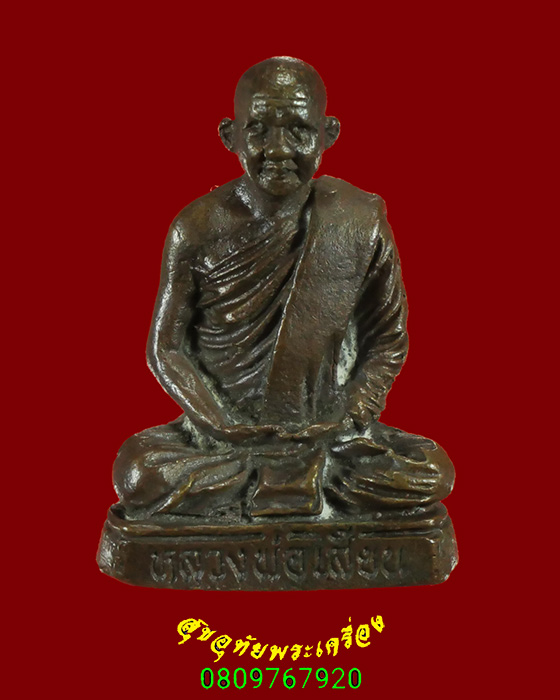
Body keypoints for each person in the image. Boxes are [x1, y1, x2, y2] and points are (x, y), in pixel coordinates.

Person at [113, 57, 454, 520]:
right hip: (227, 440)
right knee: (139, 473)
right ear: (229, 135)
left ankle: (282, 481)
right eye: (258, 130)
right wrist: (219, 422)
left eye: (298, 130)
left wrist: (351, 414)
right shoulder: (195, 228)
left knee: (431, 471)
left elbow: (386, 339)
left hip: (326, 434)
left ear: (328, 134)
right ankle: (287, 483)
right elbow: (166, 347)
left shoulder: (357, 221)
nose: (277, 150)